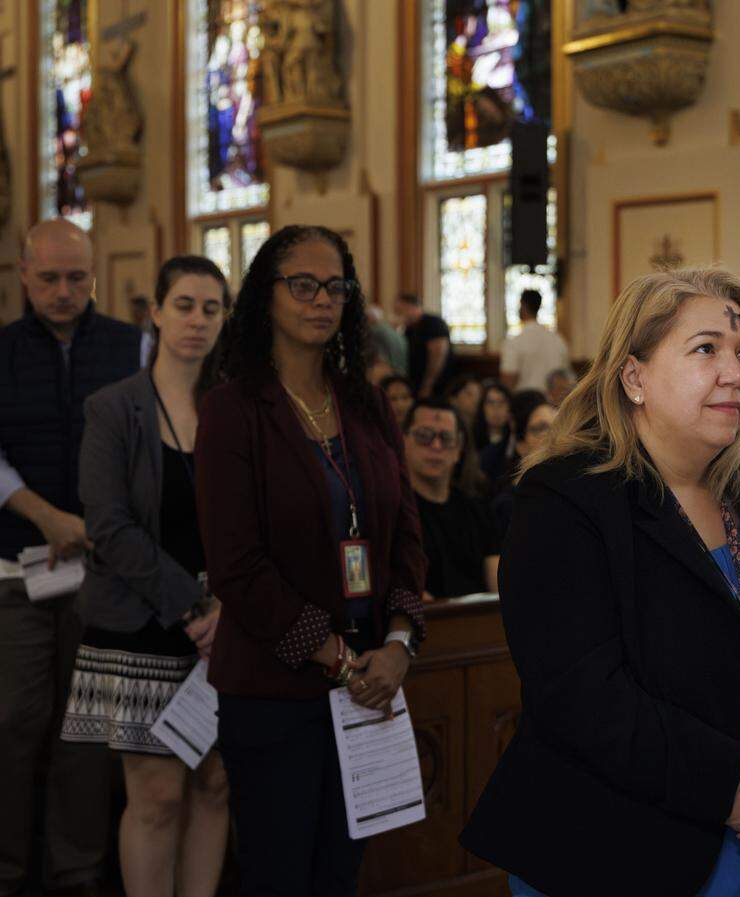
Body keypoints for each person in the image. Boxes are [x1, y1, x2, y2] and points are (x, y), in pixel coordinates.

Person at [461, 268, 740, 897]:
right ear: (634, 377)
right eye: (705, 349)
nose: (734, 373)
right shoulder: (566, 500)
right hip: (618, 845)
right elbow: (582, 695)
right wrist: (726, 795)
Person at [194, 225, 427, 897]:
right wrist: (337, 656)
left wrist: (399, 643)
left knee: (340, 875)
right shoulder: (234, 409)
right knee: (279, 875)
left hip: (370, 687)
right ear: (266, 296)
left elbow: (408, 539)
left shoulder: (367, 403)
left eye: (335, 287)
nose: (321, 300)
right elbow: (236, 565)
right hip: (275, 693)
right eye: (302, 284)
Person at [59, 256, 231, 897]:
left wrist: (229, 608)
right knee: (156, 795)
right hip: (139, 625)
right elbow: (109, 527)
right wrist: (194, 609)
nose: (197, 320)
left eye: (211, 308)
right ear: (155, 312)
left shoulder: (232, 409)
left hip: (225, 625)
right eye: (184, 305)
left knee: (216, 784)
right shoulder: (113, 409)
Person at [0, 219, 143, 897]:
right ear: (23, 274)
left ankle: (77, 868)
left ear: (95, 276)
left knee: (86, 728)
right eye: (49, 277)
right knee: (13, 720)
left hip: (102, 569)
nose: (63, 291)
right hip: (15, 565)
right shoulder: (0, 350)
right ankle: (8, 865)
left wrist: (100, 521)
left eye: (76, 278)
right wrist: (44, 513)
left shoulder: (129, 345)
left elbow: (144, 446)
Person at [403, 399, 499, 601]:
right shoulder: (393, 511)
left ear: (459, 447)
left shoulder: (478, 510)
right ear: (403, 441)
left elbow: (498, 588)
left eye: (445, 438)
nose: (436, 446)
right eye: (424, 436)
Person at [488, 391, 555, 540]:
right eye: (542, 429)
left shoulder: (564, 492)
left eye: (558, 427)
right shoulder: (508, 505)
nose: (553, 437)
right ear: (520, 444)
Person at [499, 289, 569, 392]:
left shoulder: (515, 342)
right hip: (552, 403)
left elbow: (508, 380)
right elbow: (565, 377)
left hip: (524, 403)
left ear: (523, 306)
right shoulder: (558, 340)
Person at [395, 292, 454, 398]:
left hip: (436, 385)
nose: (398, 315)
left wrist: (428, 384)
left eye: (400, 311)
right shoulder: (409, 328)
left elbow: (438, 355)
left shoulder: (433, 323)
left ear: (411, 307)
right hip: (416, 383)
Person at [473, 380, 512, 452]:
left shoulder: (514, 442)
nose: (496, 408)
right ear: (481, 407)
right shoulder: (471, 440)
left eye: (501, 402)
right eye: (490, 402)